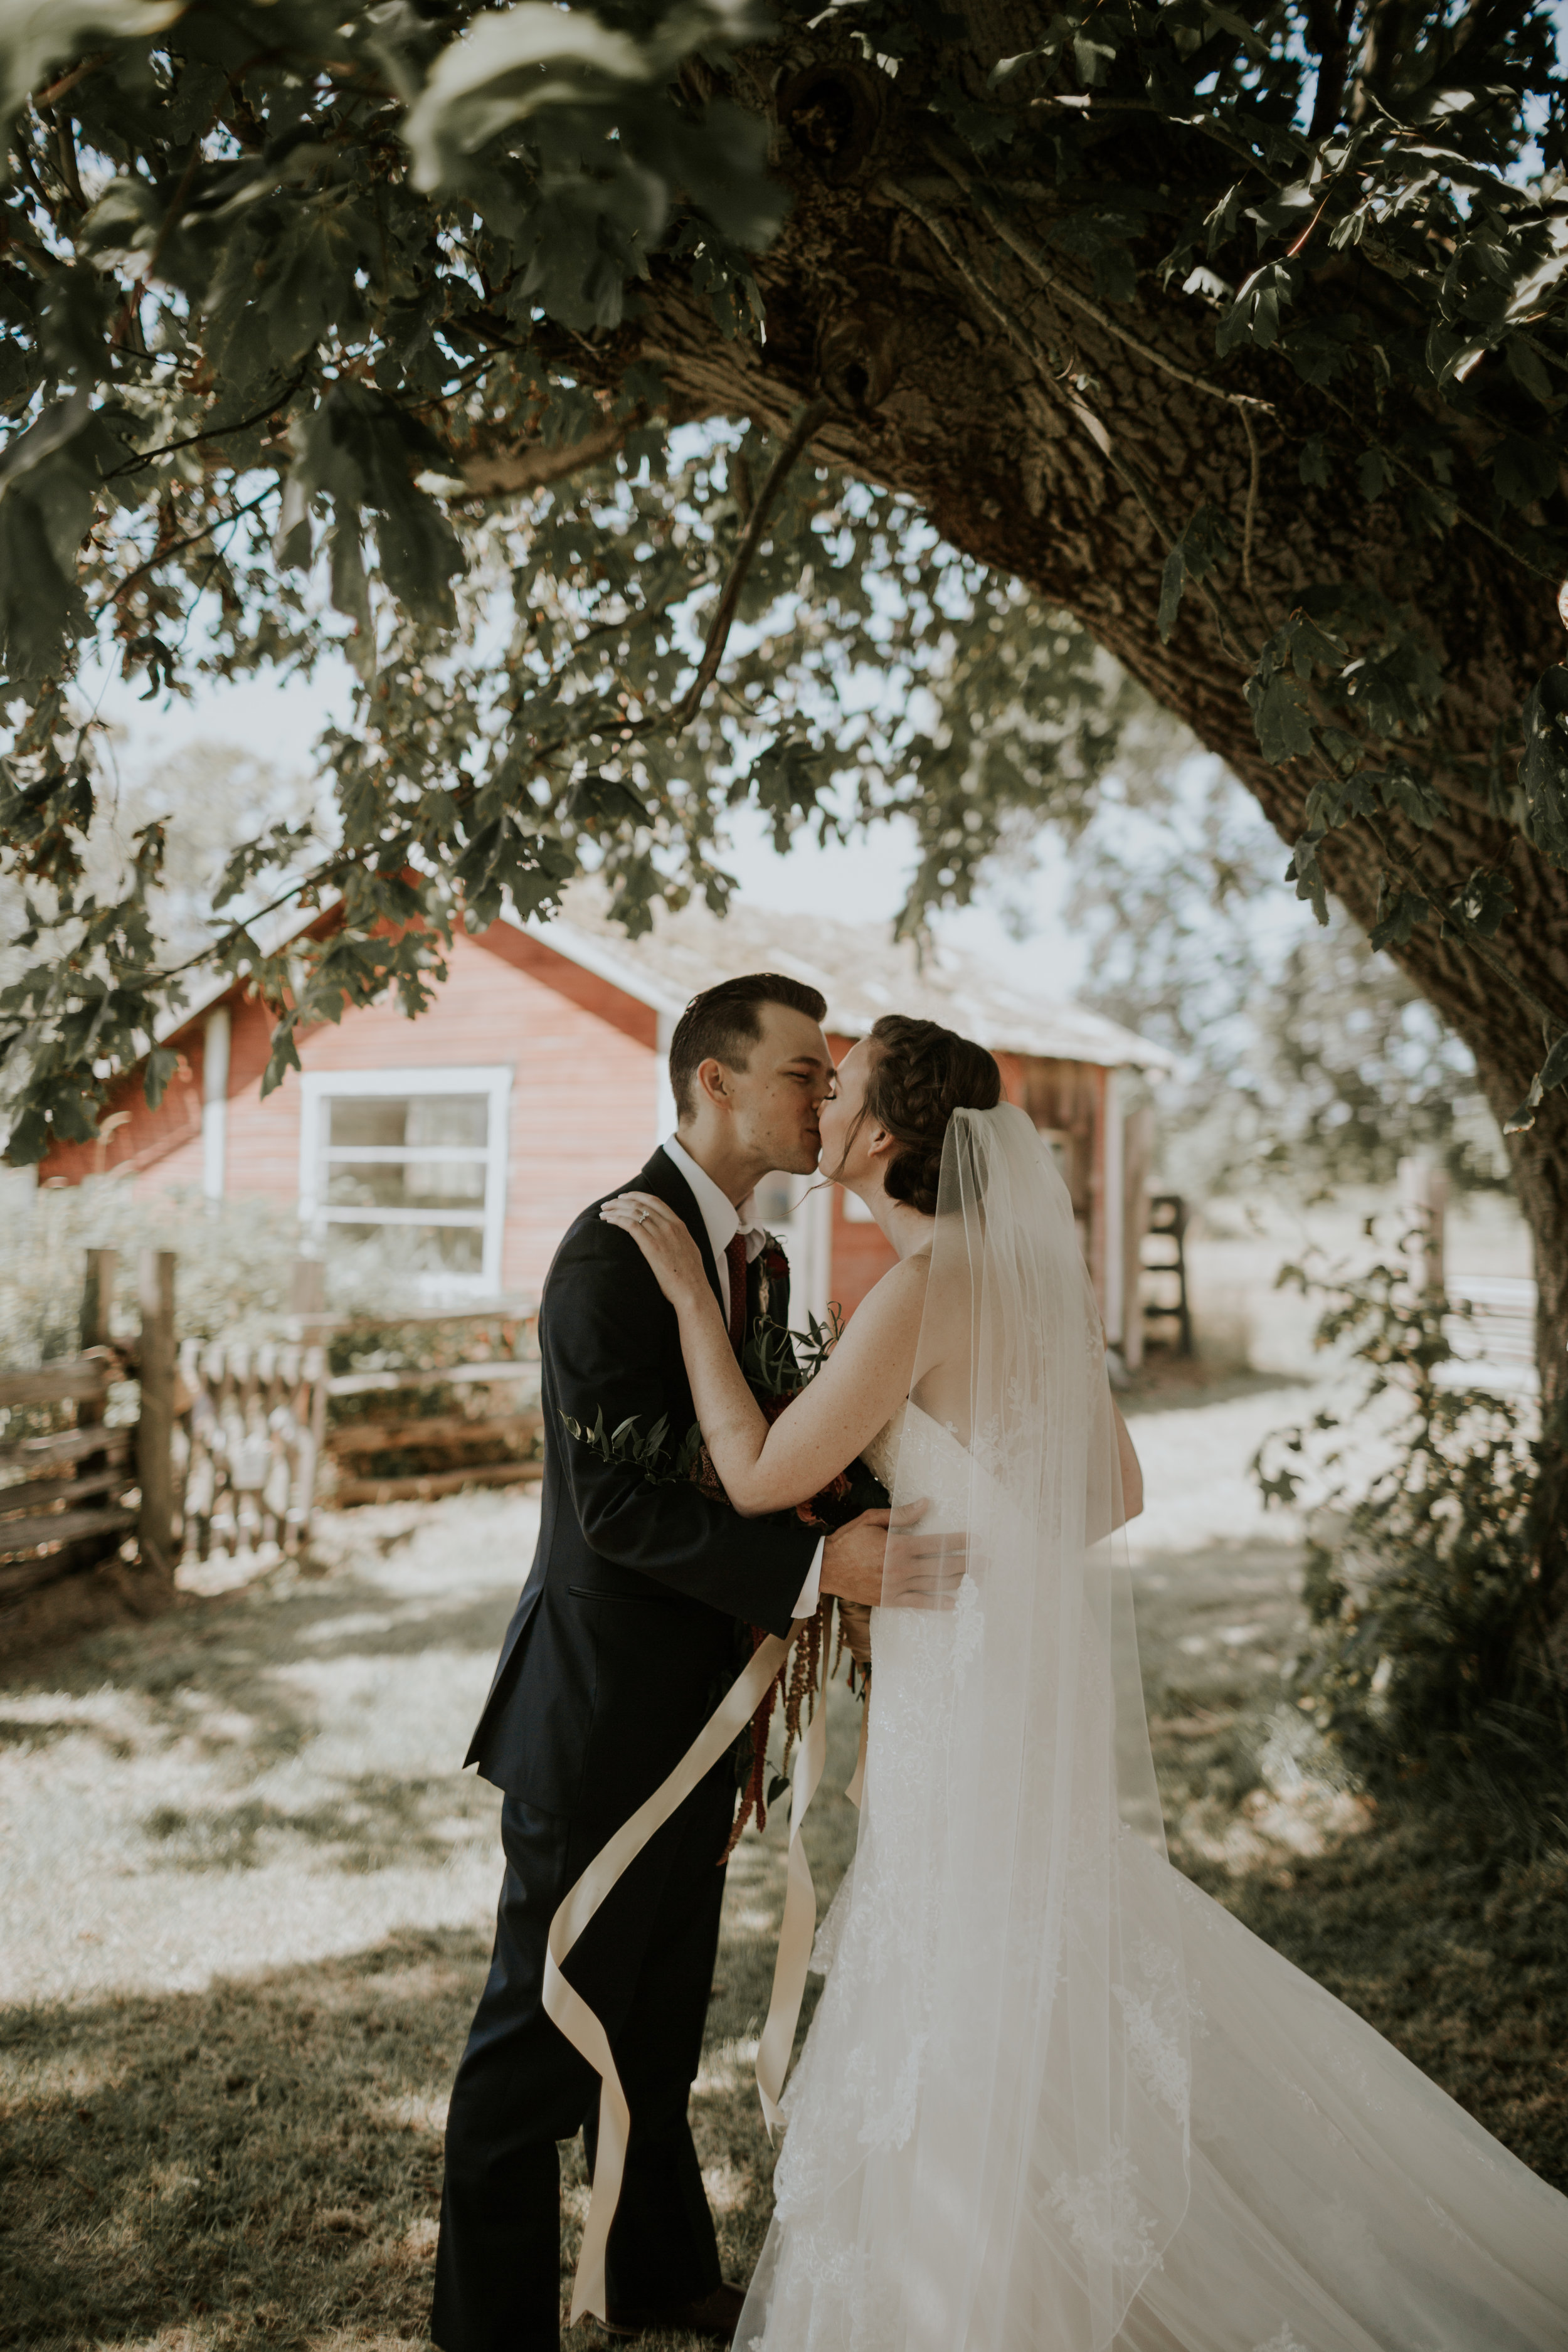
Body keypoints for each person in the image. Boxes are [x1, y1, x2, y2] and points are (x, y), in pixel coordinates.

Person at [607, 1013, 1568, 2352]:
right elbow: (1110, 1486)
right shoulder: (1012, 1279)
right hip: (984, 1661)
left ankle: (974, 2296)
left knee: (966, 1949)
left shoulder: (923, 1286)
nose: (821, 1100)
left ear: (882, 1136)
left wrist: (687, 1310)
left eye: (845, 1086)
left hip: (958, 1672)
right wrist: (982, 1564)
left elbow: (764, 1476)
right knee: (1026, 1935)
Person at [431, 976, 956, 2352]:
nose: (823, 1094)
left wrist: (840, 1531)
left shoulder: (761, 1262)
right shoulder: (611, 1252)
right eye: (801, 1071)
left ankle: (662, 2275)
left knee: (660, 2017)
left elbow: (754, 1472)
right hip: (598, 1714)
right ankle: (485, 2329)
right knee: (531, 2034)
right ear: (713, 1083)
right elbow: (617, 1510)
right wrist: (809, 1573)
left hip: (707, 1710)